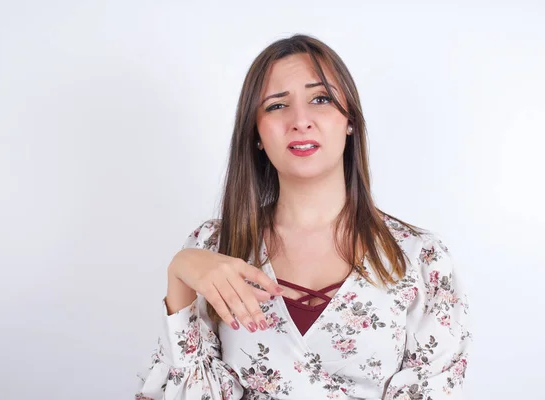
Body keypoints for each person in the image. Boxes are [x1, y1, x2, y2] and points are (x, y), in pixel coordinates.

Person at [135, 34, 472, 400]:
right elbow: (181, 390)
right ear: (257, 133)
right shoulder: (214, 246)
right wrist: (181, 270)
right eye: (277, 106)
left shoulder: (421, 258)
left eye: (321, 99)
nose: (300, 120)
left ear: (350, 121)